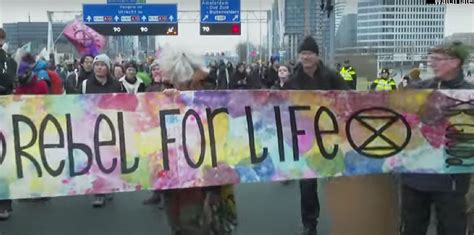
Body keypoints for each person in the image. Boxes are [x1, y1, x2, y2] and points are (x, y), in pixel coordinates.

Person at [159, 48, 236, 234]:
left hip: (210, 175)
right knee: (183, 226)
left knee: (212, 225)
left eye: (187, 79)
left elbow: (224, 131)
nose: (183, 84)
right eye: (178, 79)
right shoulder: (160, 97)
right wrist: (166, 103)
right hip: (177, 179)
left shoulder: (212, 97)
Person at [401, 41, 472, 235]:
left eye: (438, 59)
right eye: (431, 58)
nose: (432, 63)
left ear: (456, 62)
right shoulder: (418, 90)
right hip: (415, 177)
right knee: (412, 228)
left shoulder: (469, 95)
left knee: (451, 228)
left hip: (452, 180)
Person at [286, 36, 349, 235]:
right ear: (299, 56)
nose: (306, 57)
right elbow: (280, 106)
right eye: (303, 54)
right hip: (305, 138)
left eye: (309, 53)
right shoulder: (292, 81)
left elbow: (349, 98)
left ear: (316, 56)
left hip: (331, 136)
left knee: (338, 179)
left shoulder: (332, 76)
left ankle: (347, 219)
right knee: (306, 183)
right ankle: (309, 224)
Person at [80, 54, 124, 207]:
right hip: (92, 125)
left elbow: (124, 103)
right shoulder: (85, 84)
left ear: (108, 68)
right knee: (96, 158)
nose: (99, 67)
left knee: (109, 158)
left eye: (102, 65)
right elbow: (78, 104)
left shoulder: (117, 85)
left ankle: (108, 186)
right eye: (97, 64)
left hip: (111, 126)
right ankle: (99, 192)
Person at [0, 28, 17, 220]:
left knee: (4, 159)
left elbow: (11, 83)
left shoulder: (8, 61)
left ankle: (4, 203)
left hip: (4, 114)